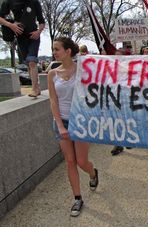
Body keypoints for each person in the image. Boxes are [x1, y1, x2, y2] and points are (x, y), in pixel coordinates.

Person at [48, 37, 99, 217]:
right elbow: (53, 101)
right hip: (61, 122)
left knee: (82, 161)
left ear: (68, 51)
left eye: (57, 49)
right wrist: (60, 126)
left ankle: (93, 173)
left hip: (81, 121)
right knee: (70, 161)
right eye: (53, 49)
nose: (54, 52)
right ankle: (77, 198)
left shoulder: (83, 70)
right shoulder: (52, 74)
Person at [0, 0, 45, 97]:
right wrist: (11, 25)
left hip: (33, 36)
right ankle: (36, 87)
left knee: (32, 61)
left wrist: (38, 31)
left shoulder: (34, 2)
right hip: (20, 36)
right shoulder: (8, 2)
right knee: (28, 63)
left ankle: (34, 89)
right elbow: (1, 18)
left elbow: (41, 21)